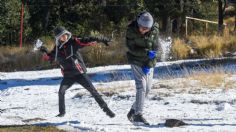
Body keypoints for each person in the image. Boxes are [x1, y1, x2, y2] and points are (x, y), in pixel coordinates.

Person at [39, 26, 115, 118]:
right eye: (62, 36)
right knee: (61, 92)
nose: (65, 37)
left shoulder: (73, 42)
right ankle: (62, 113)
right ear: (58, 38)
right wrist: (43, 49)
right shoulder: (57, 49)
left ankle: (107, 110)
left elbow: (86, 39)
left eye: (65, 35)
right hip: (68, 76)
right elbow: (51, 57)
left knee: (93, 91)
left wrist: (101, 39)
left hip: (80, 73)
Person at [125, 11, 160, 125]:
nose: (144, 30)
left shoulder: (154, 29)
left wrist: (151, 60)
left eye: (147, 29)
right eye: (142, 28)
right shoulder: (131, 31)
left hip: (149, 62)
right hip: (136, 60)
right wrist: (146, 53)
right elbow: (131, 48)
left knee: (147, 89)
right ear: (138, 24)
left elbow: (156, 46)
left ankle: (133, 110)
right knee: (141, 87)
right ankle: (138, 115)